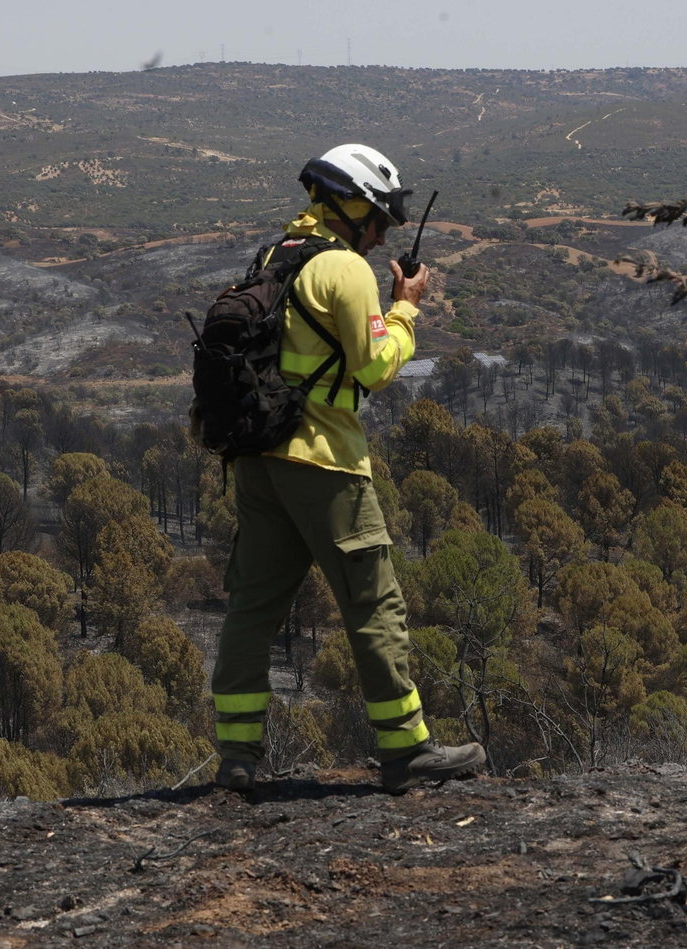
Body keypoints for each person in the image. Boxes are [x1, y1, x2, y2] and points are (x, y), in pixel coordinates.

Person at [206, 144, 485, 793]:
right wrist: (406, 307)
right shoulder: (345, 271)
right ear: (352, 207)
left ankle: (238, 757)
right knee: (375, 603)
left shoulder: (277, 258)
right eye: (379, 219)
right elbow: (376, 367)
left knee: (253, 607)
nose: (383, 232)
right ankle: (407, 747)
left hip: (259, 459)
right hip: (325, 461)